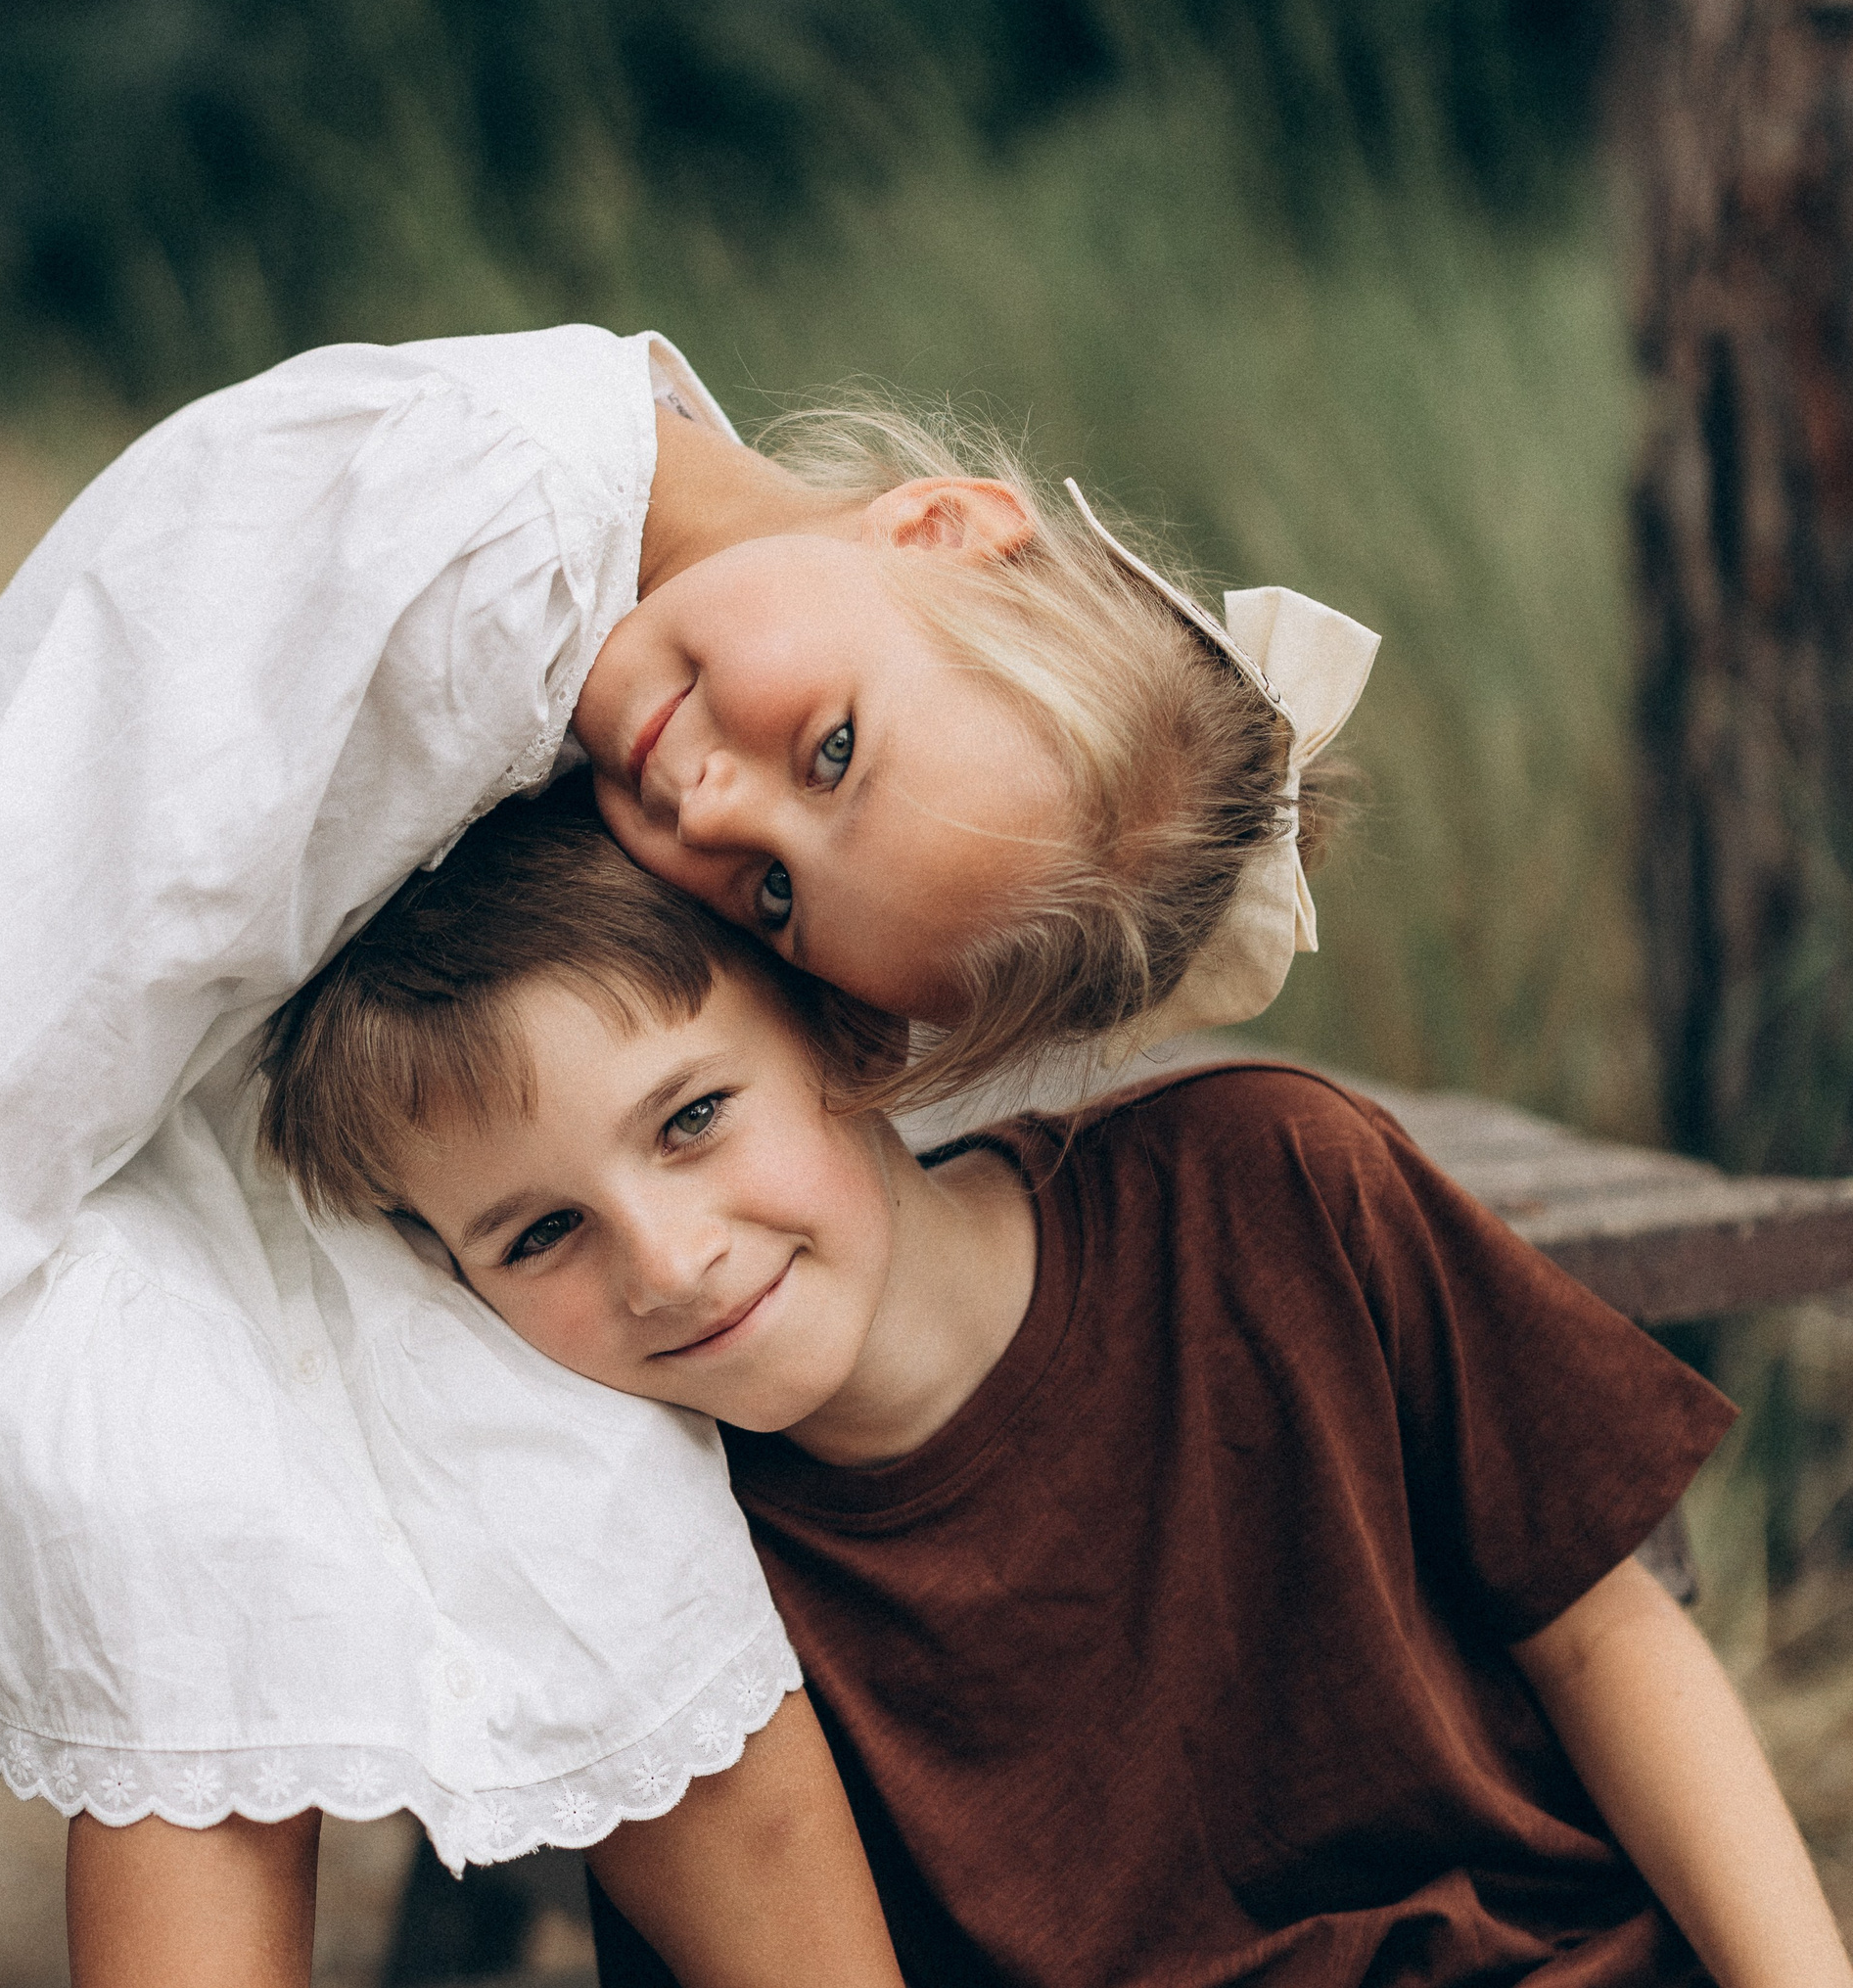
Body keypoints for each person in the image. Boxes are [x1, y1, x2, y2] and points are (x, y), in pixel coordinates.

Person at [0, 323, 1368, 1981]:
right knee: (173, 1510)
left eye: (775, 892)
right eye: (828, 749)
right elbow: (65, 915)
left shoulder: (701, 626)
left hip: (333, 1130)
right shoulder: (449, 514)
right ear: (938, 528)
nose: (708, 805)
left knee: (606, 1509)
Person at [264, 780, 1851, 1988]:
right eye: (541, 1231)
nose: (667, 1261)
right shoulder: (659, 1571)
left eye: (691, 1119)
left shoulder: (1273, 1187)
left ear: (844, 1031)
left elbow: (1603, 1632)